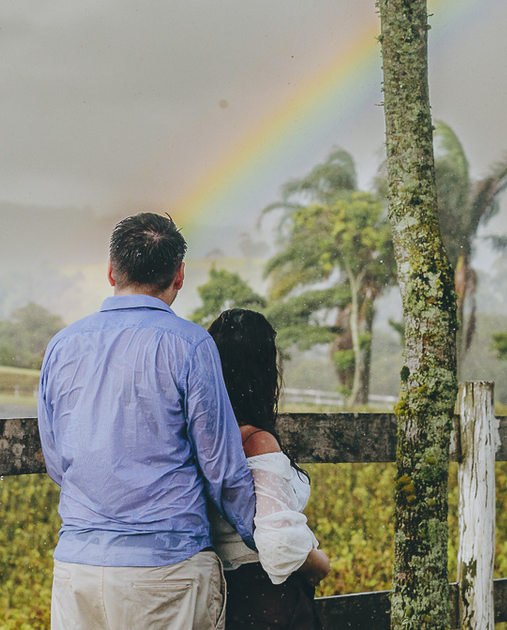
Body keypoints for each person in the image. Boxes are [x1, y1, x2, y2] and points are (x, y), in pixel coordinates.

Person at [37, 213, 257, 630]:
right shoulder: (191, 345)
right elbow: (223, 470)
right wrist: (261, 539)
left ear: (110, 271)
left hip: (77, 569)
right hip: (167, 570)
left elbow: (58, 462)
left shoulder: (62, 345)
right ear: (179, 276)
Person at [206, 308, 332, 630]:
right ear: (263, 372)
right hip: (267, 598)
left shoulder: (201, 438)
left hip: (219, 594)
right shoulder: (256, 442)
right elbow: (279, 547)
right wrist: (319, 563)